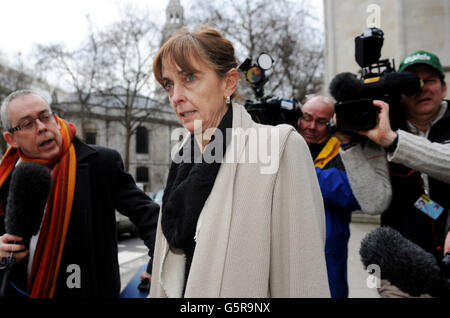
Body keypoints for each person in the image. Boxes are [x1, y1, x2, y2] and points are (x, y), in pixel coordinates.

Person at [148, 25, 329, 298]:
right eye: (169, 84)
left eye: (190, 78)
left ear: (229, 83)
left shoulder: (280, 149)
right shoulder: (180, 160)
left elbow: (301, 282)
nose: (175, 97)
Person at [0, 90, 159, 297]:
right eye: (28, 124)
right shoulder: (7, 174)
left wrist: (157, 267)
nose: (41, 128)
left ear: (55, 119)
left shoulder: (101, 162)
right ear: (11, 139)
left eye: (45, 117)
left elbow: (149, 217)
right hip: (18, 291)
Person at [337, 50, 450, 297]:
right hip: (400, 269)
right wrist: (351, 145)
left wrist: (393, 141)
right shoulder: (379, 128)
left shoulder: (390, 134)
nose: (421, 88)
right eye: (413, 83)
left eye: (428, 80)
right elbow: (374, 202)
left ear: (443, 87)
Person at [297, 96, 360, 298]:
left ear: (333, 122)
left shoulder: (344, 149)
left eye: (321, 121)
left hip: (327, 253)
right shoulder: (284, 143)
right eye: (307, 117)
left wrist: (294, 169)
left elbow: (350, 192)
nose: (312, 126)